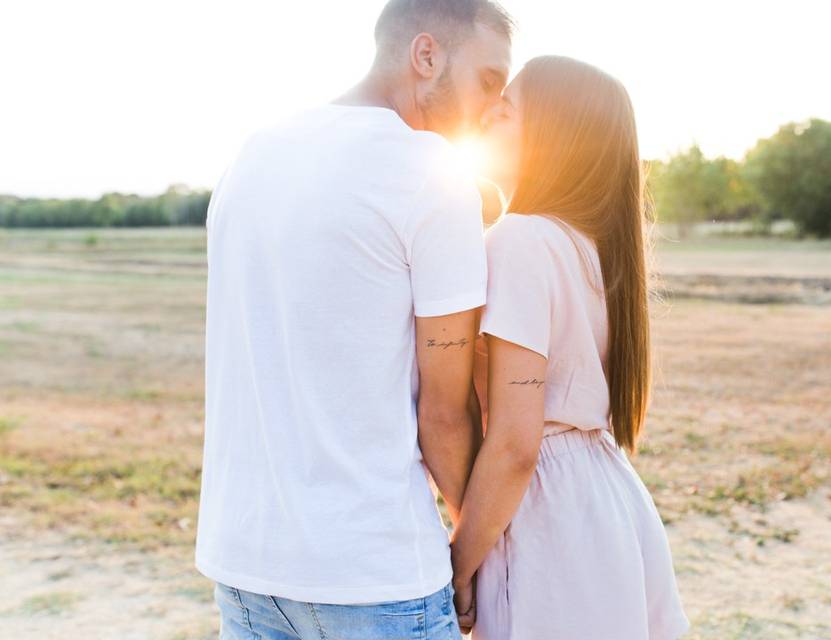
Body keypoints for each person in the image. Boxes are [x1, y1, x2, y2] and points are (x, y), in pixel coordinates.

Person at [194, 1, 513, 638]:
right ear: (427, 56)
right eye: (489, 81)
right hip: (375, 575)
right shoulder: (431, 175)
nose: (494, 107)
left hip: (245, 568)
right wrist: (472, 542)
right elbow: (443, 415)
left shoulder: (252, 155)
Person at [450, 56, 692, 639]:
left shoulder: (520, 240)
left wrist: (457, 567)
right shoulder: (589, 248)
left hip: (546, 520)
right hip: (608, 501)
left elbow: (514, 443)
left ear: (552, 140)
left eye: (504, 112)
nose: (483, 120)